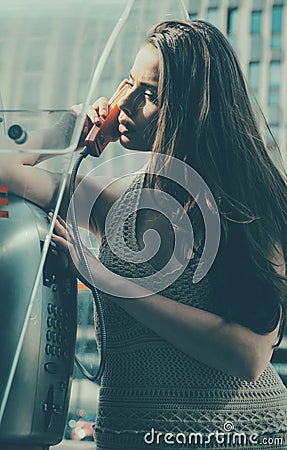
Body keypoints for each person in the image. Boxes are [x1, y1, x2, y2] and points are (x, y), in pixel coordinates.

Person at [1, 19, 287, 450]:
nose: (126, 103)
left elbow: (248, 354)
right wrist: (70, 128)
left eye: (149, 94)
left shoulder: (250, 200)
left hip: (237, 435)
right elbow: (6, 175)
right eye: (127, 84)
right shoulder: (119, 205)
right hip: (130, 433)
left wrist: (107, 279)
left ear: (193, 108)